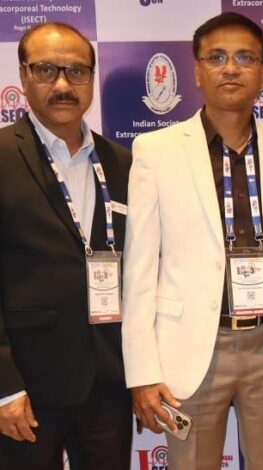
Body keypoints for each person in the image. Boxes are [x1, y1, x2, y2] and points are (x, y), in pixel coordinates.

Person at [121, 12, 263, 470]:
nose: (231, 68)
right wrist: (143, 372)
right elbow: (139, 271)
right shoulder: (156, 150)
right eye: (217, 58)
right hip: (190, 348)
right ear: (197, 71)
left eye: (245, 58)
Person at [0, 22, 132, 469]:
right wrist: (5, 387)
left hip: (110, 383)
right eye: (46, 70)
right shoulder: (2, 155)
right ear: (23, 76)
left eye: (76, 71)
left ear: (91, 78)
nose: (62, 84)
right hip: (28, 387)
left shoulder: (123, 163)